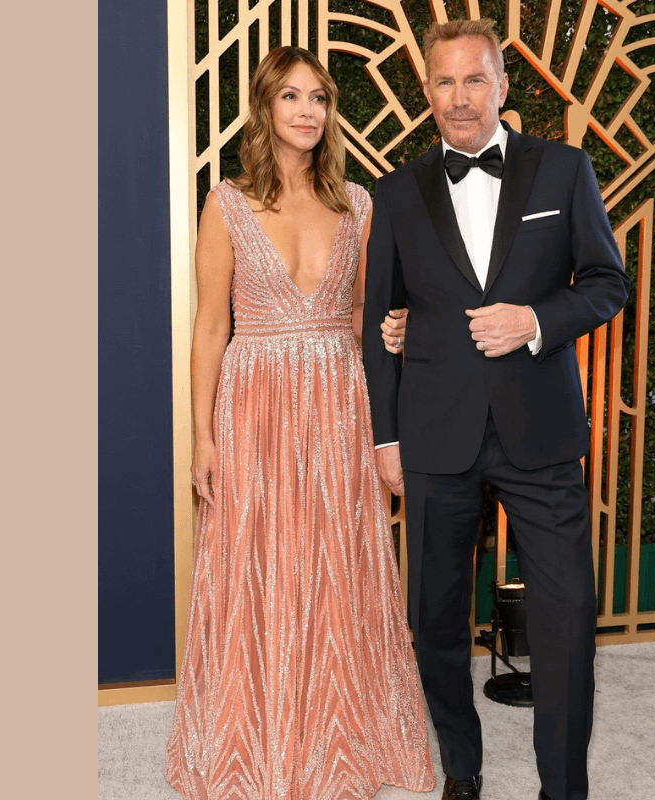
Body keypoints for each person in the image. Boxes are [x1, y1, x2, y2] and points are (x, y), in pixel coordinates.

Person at [361, 18, 631, 800]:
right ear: (426, 93)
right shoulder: (397, 193)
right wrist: (387, 437)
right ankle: (462, 768)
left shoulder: (564, 170)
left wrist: (537, 322)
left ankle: (563, 788)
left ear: (503, 85)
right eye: (444, 82)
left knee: (568, 613)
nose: (460, 98)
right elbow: (384, 325)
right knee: (438, 622)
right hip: (435, 431)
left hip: (538, 428)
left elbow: (606, 283)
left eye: (474, 79)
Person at [165, 46, 435, 800]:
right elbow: (209, 328)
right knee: (255, 566)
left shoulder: (359, 204)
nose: (308, 111)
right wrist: (203, 437)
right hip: (252, 407)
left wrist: (394, 331)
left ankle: (339, 735)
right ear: (266, 108)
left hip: (337, 402)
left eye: (319, 97)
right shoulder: (226, 203)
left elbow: (360, 317)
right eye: (291, 97)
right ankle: (259, 739)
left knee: (337, 561)